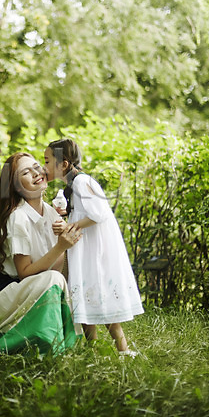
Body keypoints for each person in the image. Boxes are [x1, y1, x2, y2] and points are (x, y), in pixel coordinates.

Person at [0, 152, 83, 355]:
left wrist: (66, 243)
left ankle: (68, 344)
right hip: (3, 293)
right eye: (25, 172)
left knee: (72, 278)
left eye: (37, 167)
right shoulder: (18, 217)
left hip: (30, 289)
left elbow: (57, 268)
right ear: (17, 188)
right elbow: (24, 273)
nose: (36, 173)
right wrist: (60, 247)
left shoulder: (51, 212)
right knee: (54, 279)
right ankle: (48, 345)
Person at [44, 138, 143, 356]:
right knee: (85, 298)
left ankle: (122, 349)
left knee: (98, 295)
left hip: (93, 251)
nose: (44, 166)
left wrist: (71, 226)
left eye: (47, 161)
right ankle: (94, 351)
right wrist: (67, 216)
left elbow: (98, 214)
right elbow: (86, 212)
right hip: (85, 249)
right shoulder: (74, 184)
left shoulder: (81, 182)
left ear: (64, 164)